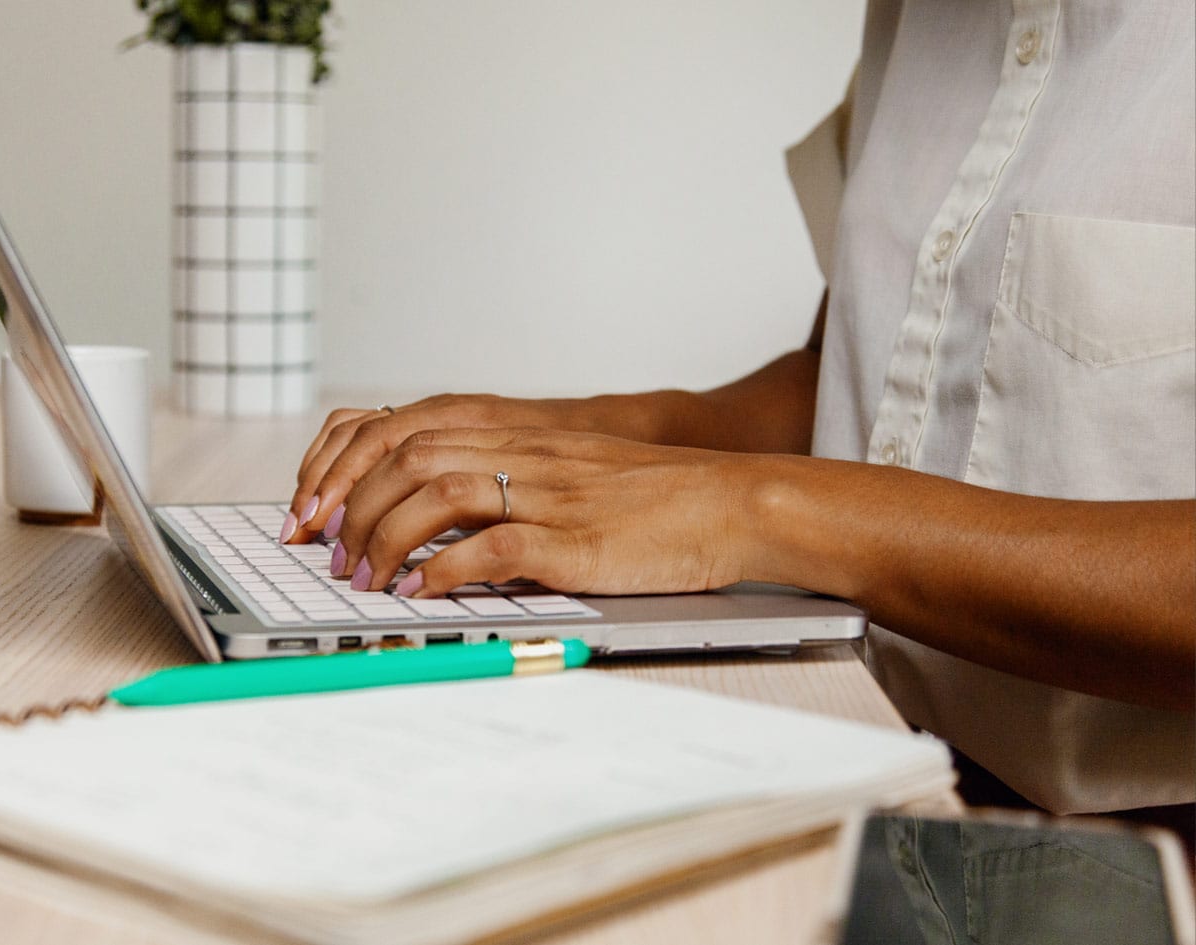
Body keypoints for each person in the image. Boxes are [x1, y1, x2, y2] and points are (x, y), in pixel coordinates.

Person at [283, 0, 1195, 825]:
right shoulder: (923, 20)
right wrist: (568, 439)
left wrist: (752, 510)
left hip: (1132, 854)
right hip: (866, 742)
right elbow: (861, 376)